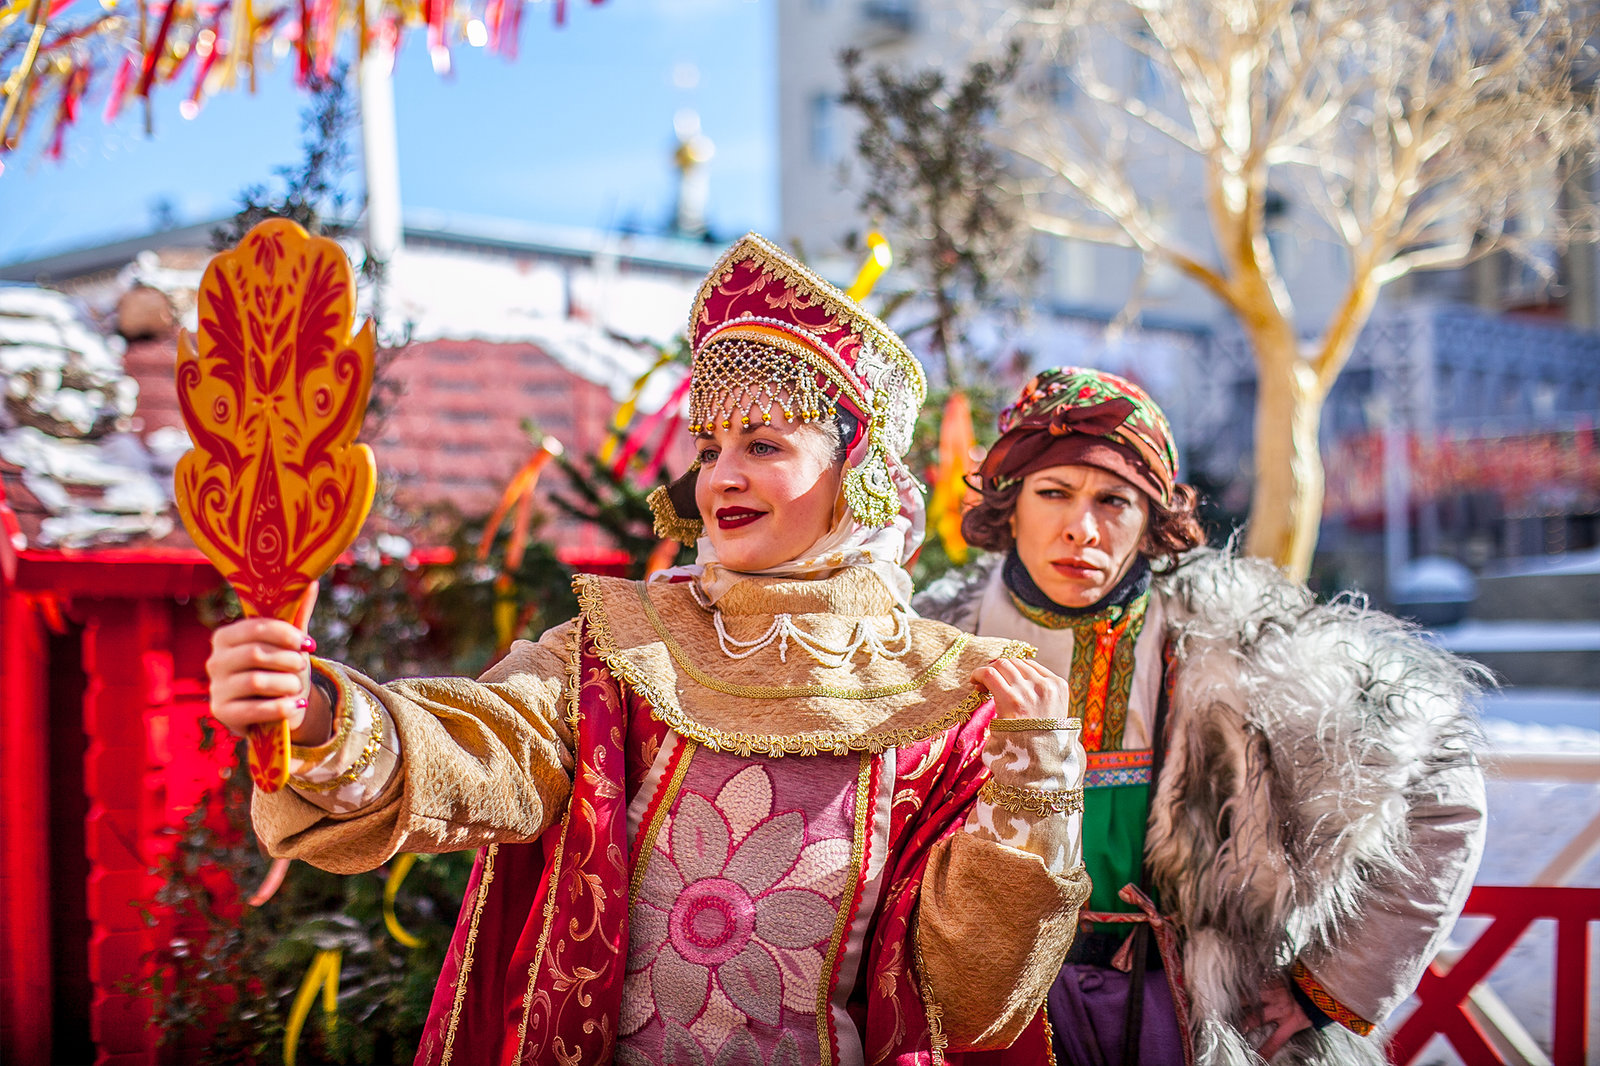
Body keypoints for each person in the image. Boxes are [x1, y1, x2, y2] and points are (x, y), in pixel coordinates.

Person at [206, 234, 1093, 1066]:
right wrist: (321, 716)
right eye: (710, 448)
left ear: (856, 474)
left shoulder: (952, 693)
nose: (723, 477)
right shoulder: (620, 647)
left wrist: (1036, 780)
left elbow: (974, 1002)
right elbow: (482, 746)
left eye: (764, 444)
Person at [914, 367, 1486, 1066]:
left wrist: (1331, 985)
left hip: (1187, 1012)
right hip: (990, 1011)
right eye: (1054, 492)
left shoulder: (1248, 643)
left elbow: (1443, 782)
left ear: (1153, 518)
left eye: (1115, 500)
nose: (1082, 529)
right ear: (1010, 502)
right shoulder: (930, 648)